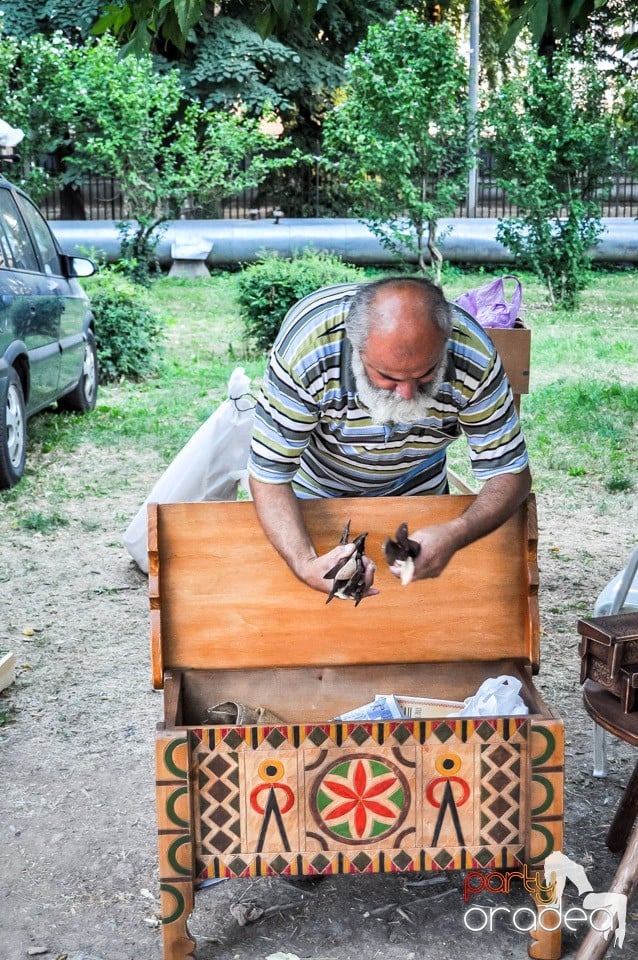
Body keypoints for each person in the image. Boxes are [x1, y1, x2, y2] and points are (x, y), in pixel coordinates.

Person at [248, 275, 532, 601]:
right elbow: (269, 475)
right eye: (387, 376)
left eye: (425, 374)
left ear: (445, 341)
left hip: (419, 482)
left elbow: (510, 473)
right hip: (317, 486)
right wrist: (305, 563)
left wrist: (456, 532)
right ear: (356, 349)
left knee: (416, 610)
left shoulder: (473, 355)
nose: (408, 393)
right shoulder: (307, 353)